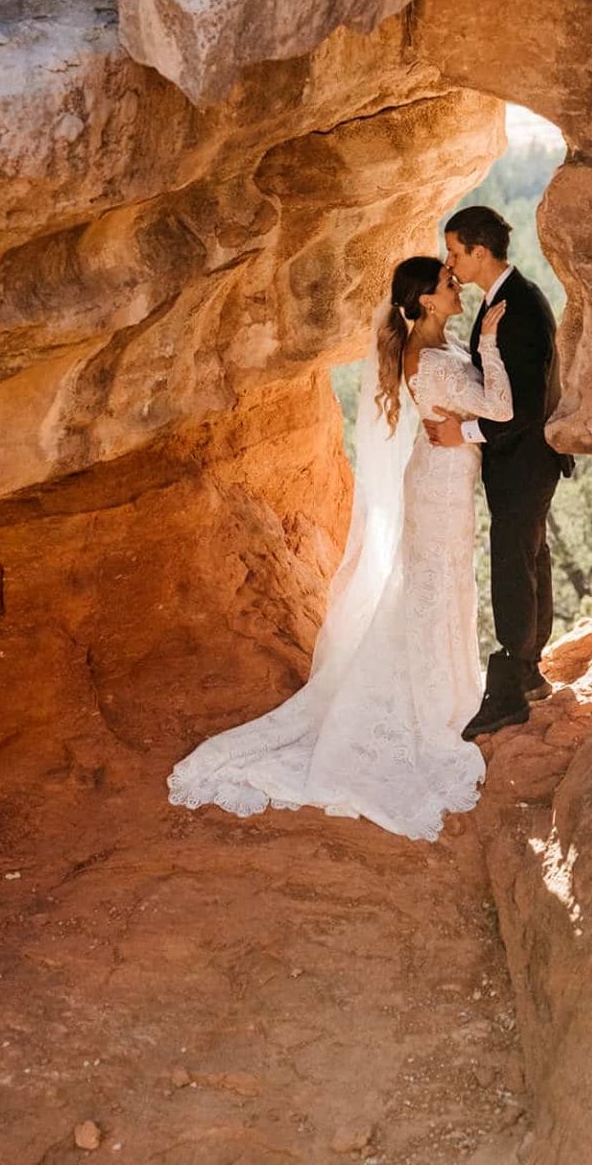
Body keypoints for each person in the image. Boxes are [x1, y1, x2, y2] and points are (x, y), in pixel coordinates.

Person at [168, 256, 514, 841]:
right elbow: (500, 406)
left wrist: (473, 343)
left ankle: (448, 690)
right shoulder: (430, 361)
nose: (459, 286)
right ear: (427, 301)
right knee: (434, 587)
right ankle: (434, 707)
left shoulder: (433, 345)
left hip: (441, 477)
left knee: (438, 586)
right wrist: (494, 343)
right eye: (448, 283)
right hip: (439, 488)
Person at [425, 205, 571, 739]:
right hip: (525, 459)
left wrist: (462, 434)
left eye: (456, 252)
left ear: (480, 253)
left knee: (514, 561)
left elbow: (526, 407)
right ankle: (528, 672)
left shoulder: (519, 309)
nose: (451, 262)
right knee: (531, 556)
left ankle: (510, 690)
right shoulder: (508, 299)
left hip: (526, 458)